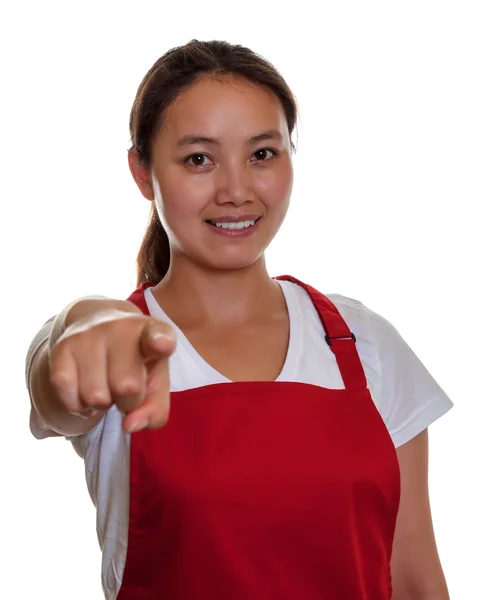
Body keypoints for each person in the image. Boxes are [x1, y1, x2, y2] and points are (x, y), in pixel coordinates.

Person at [25, 39, 453, 600]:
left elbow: (416, 578)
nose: (235, 192)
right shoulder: (118, 349)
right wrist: (79, 319)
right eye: (198, 159)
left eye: (262, 154)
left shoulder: (363, 344)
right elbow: (55, 376)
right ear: (142, 172)